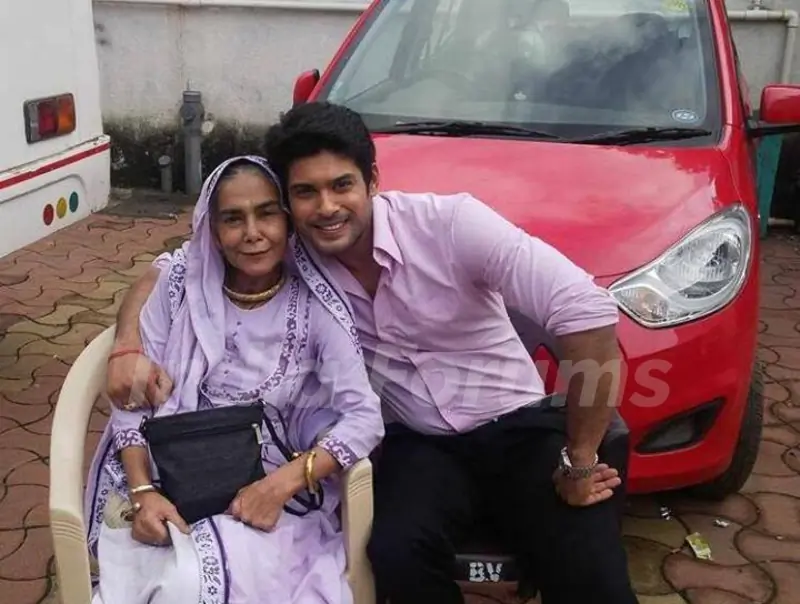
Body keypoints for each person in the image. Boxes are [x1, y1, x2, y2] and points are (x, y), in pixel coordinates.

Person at [106, 103, 637, 604]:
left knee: (587, 561)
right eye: (306, 193)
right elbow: (169, 267)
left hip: (518, 428)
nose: (327, 207)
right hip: (421, 445)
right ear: (290, 205)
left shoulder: (452, 226)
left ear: (373, 181)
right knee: (396, 552)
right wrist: (127, 345)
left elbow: (586, 313)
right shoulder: (290, 252)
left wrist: (581, 459)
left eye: (342, 185)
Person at [85, 155, 384, 604]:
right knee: (176, 579)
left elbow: (363, 417)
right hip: (166, 473)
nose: (252, 233)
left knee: (205, 581)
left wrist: (280, 485)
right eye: (233, 219)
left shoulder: (316, 304)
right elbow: (135, 398)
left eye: (266, 213)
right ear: (212, 230)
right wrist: (143, 491)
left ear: (287, 219)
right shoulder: (182, 285)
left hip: (271, 485)